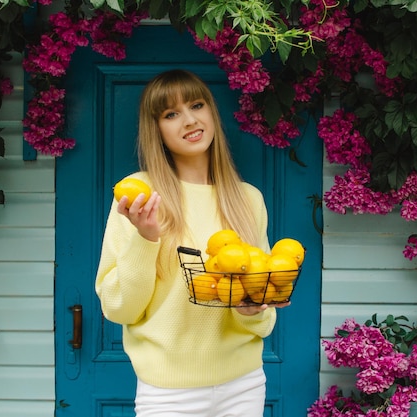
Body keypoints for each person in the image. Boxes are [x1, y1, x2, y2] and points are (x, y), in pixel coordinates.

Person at [95, 69, 290, 417]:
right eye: (171, 114)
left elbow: (263, 315)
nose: (189, 120)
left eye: (196, 105)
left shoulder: (248, 200)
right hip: (167, 393)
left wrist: (250, 308)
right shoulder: (139, 196)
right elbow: (119, 309)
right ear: (157, 130)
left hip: (244, 383)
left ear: (211, 111)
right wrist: (145, 238)